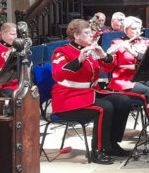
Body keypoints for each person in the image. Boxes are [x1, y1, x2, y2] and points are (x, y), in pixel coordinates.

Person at [50, 19, 137, 164]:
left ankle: (111, 144)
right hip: (68, 98)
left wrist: (104, 56)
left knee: (123, 101)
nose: (91, 35)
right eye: (86, 33)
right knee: (104, 108)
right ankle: (98, 150)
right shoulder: (62, 51)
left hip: (89, 92)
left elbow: (109, 68)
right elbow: (58, 74)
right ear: (76, 36)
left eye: (91, 32)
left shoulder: (91, 49)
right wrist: (79, 60)